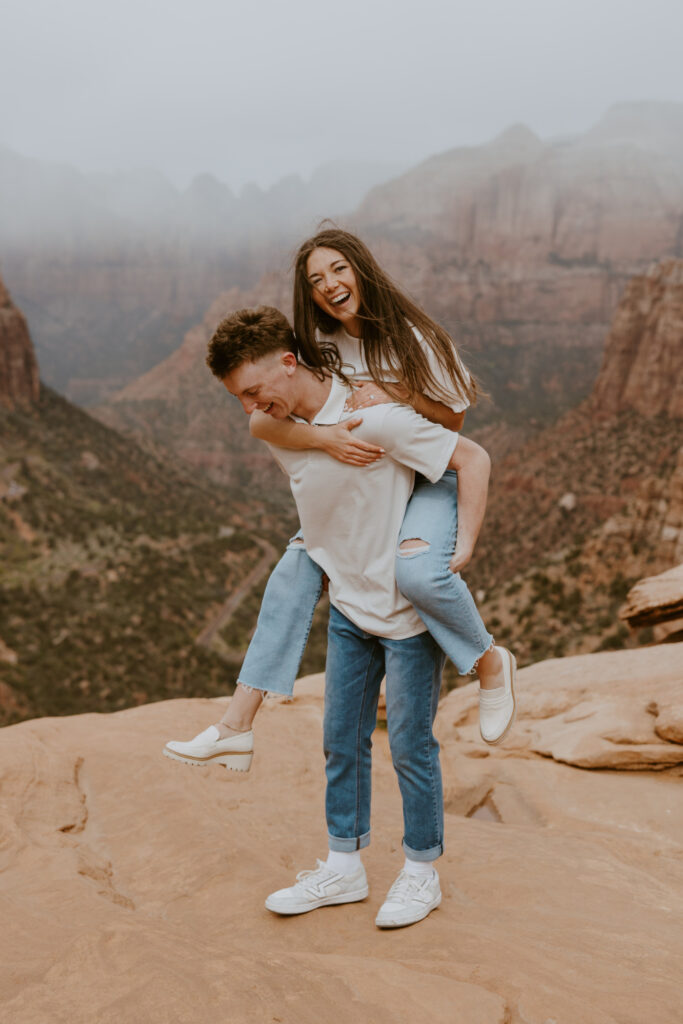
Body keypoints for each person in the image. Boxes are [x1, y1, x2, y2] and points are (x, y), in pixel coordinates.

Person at [164, 229, 515, 772]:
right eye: (315, 280)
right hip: (372, 480)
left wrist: (394, 393)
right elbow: (270, 413)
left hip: (426, 476)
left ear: (362, 270)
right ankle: (235, 726)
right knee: (295, 569)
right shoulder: (322, 345)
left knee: (420, 575)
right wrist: (323, 439)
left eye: (339, 270)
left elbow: (454, 423)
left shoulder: (416, 338)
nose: (329, 285)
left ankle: (489, 664)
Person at [198, 306, 504, 927]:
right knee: (341, 743)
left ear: (288, 363)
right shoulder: (279, 423)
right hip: (348, 609)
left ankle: (421, 873)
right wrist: (302, 429)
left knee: (412, 747)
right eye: (238, 398)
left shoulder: (376, 418)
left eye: (254, 391)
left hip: (406, 615)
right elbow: (274, 430)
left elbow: (470, 458)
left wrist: (459, 548)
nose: (250, 407)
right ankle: (345, 866)